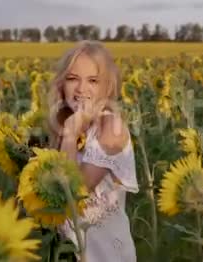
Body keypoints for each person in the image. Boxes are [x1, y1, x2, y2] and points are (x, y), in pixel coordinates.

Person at [46, 40, 139, 262]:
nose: (81, 89)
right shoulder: (64, 128)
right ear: (61, 85)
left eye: (93, 81)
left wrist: (70, 133)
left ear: (107, 87)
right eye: (72, 79)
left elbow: (72, 192)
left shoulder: (111, 130)